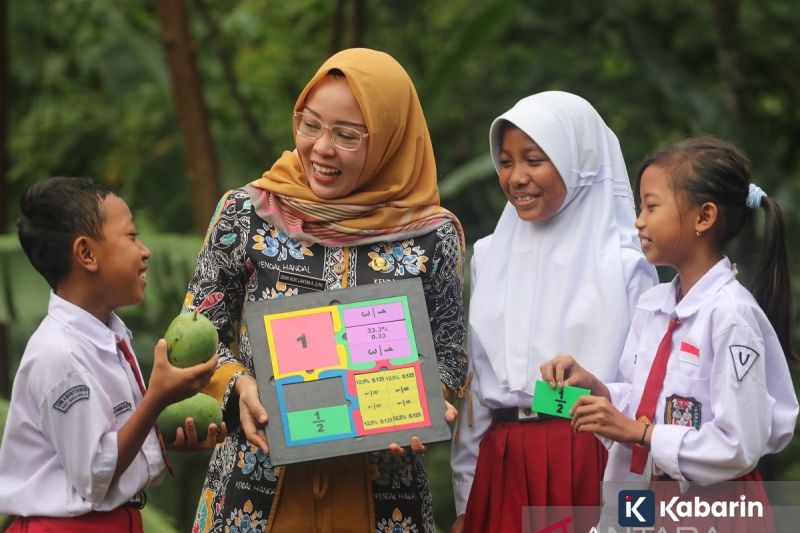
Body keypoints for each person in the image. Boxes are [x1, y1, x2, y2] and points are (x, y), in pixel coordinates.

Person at [184, 48, 467, 533]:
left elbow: (450, 357)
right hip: (254, 487)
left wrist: (414, 403)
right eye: (310, 124)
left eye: (347, 135)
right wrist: (238, 387)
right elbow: (196, 331)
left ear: (389, 138)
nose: (321, 148)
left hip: (383, 496)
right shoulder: (246, 213)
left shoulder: (429, 235)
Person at [541, 136, 799, 530]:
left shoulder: (730, 316)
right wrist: (599, 391)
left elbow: (738, 444)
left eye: (651, 206)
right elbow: (646, 399)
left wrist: (642, 434)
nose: (639, 220)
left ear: (703, 217)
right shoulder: (656, 305)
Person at [450, 91, 658, 533]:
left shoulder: (626, 265)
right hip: (502, 459)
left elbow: (642, 395)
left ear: (576, 161)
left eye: (534, 160)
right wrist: (466, 499)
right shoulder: (490, 257)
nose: (517, 177)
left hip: (587, 457)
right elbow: (478, 393)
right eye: (505, 162)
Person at [0, 177, 219, 532]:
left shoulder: (104, 334)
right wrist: (157, 400)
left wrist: (160, 437)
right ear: (87, 254)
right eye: (132, 236)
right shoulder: (60, 355)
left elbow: (107, 441)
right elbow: (95, 476)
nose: (145, 250)